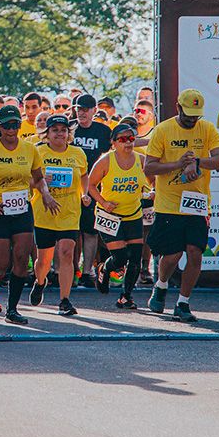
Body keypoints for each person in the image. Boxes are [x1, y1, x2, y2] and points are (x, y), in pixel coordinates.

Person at [143, 89, 219, 322]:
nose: (192, 119)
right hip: (170, 203)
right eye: (188, 114)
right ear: (178, 107)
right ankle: (160, 286)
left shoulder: (207, 129)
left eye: (195, 115)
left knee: (195, 253)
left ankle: (183, 303)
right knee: (172, 255)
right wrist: (179, 164)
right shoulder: (163, 130)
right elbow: (149, 168)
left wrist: (197, 162)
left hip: (198, 204)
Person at [0, 105, 56, 324]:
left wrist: (46, 194)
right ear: (0, 127)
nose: (11, 130)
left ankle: (12, 309)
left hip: (21, 209)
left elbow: (38, 178)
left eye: (15, 125)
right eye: (7, 126)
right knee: (0, 263)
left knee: (21, 258)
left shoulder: (30, 150)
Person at [29, 114, 90, 316]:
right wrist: (39, 180)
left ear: (68, 133)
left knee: (66, 253)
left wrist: (85, 194)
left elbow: (83, 175)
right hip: (44, 212)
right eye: (55, 130)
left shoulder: (78, 153)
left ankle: (64, 300)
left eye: (63, 130)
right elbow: (28, 180)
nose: (60, 133)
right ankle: (40, 282)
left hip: (69, 212)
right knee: (43, 261)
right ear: (47, 134)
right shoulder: (38, 151)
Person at [89, 123, 147, 309]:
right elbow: (90, 185)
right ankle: (104, 269)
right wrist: (104, 202)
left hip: (133, 213)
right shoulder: (106, 161)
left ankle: (126, 296)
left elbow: (153, 182)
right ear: (113, 142)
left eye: (131, 139)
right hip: (109, 215)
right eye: (122, 139)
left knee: (135, 258)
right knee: (120, 258)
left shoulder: (141, 160)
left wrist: (151, 191)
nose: (128, 143)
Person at [71, 94, 112, 289]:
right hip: (68, 187)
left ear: (95, 111)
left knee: (90, 232)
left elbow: (113, 154)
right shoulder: (68, 128)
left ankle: (87, 272)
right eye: (79, 109)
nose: (82, 113)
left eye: (86, 109)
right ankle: (67, 271)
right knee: (69, 233)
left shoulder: (103, 131)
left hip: (93, 187)